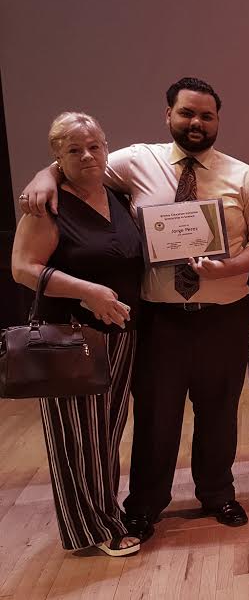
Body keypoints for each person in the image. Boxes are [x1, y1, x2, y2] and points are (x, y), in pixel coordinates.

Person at [20, 77, 249, 537]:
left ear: (218, 120)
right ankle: (144, 504)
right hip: (160, 320)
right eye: (187, 113)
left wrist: (230, 267)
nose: (196, 122)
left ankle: (218, 494)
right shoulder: (135, 161)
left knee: (220, 413)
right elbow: (80, 160)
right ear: (168, 116)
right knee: (156, 417)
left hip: (225, 316)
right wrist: (45, 174)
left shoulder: (243, 175)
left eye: (206, 115)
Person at [11, 113, 144, 556]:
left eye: (95, 146)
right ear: (57, 157)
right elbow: (22, 268)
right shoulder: (46, 204)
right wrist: (87, 292)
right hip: (71, 337)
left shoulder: (117, 194)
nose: (88, 156)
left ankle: (106, 511)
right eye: (73, 150)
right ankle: (93, 529)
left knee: (105, 433)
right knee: (75, 439)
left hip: (120, 334)